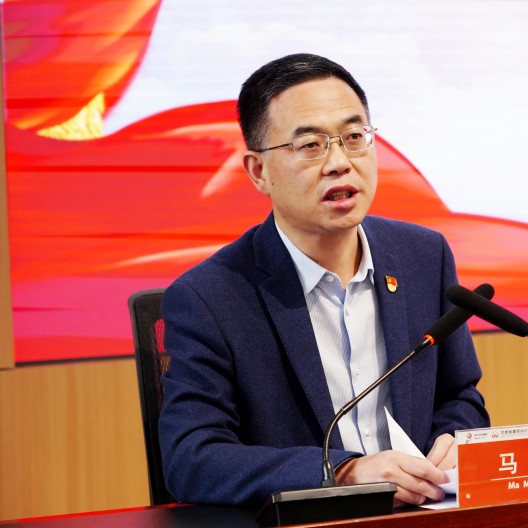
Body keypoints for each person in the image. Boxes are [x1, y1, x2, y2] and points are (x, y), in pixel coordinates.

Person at [158, 53, 490, 507]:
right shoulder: (209, 297)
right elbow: (192, 459)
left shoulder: (423, 257)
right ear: (259, 171)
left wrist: (454, 439)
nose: (339, 163)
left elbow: (459, 395)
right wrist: (342, 471)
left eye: (354, 137)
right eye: (310, 145)